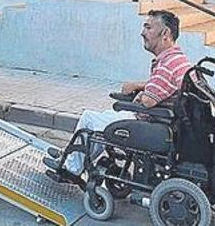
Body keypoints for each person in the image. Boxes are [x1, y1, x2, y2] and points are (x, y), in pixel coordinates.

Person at [45, 9, 190, 176]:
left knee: (89, 119)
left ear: (165, 33)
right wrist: (140, 86)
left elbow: (148, 101)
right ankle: (70, 157)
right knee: (102, 120)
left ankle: (71, 168)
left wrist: (141, 96)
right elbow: (166, 85)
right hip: (165, 122)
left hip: (151, 123)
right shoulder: (177, 59)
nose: (142, 33)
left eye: (148, 28)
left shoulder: (166, 64)